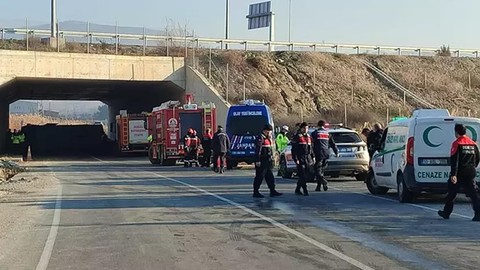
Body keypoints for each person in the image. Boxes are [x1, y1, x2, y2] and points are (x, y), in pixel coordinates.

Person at [438, 124, 480, 221]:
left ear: (456, 132)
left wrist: (453, 174)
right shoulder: (473, 144)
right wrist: (472, 167)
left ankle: (446, 212)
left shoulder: (457, 143)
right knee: (473, 194)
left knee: (452, 193)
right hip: (470, 171)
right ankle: (478, 214)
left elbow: (455, 160)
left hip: (459, 172)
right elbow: (477, 158)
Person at [253, 124, 283, 198]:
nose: (270, 133)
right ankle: (256, 192)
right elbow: (258, 150)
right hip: (262, 160)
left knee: (270, 177)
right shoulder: (260, 138)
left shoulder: (269, 138)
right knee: (260, 176)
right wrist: (257, 160)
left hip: (268, 160)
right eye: (269, 131)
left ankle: (272, 190)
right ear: (265, 131)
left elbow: (272, 149)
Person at [311, 120, 339, 192]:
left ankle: (323, 181)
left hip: (318, 153)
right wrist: (336, 152)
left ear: (318, 125)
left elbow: (311, 145)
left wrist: (312, 154)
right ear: (324, 125)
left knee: (317, 170)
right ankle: (318, 186)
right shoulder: (327, 133)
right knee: (321, 170)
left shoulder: (315, 133)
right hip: (326, 154)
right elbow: (333, 144)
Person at [291, 122, 314, 196]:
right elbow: (293, 149)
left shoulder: (308, 136)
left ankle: (297, 189)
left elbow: (311, 148)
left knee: (307, 174)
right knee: (302, 175)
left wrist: (313, 156)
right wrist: (296, 158)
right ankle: (305, 190)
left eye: (307, 128)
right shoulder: (297, 137)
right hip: (300, 157)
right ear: (301, 129)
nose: (305, 130)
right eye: (304, 128)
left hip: (308, 158)